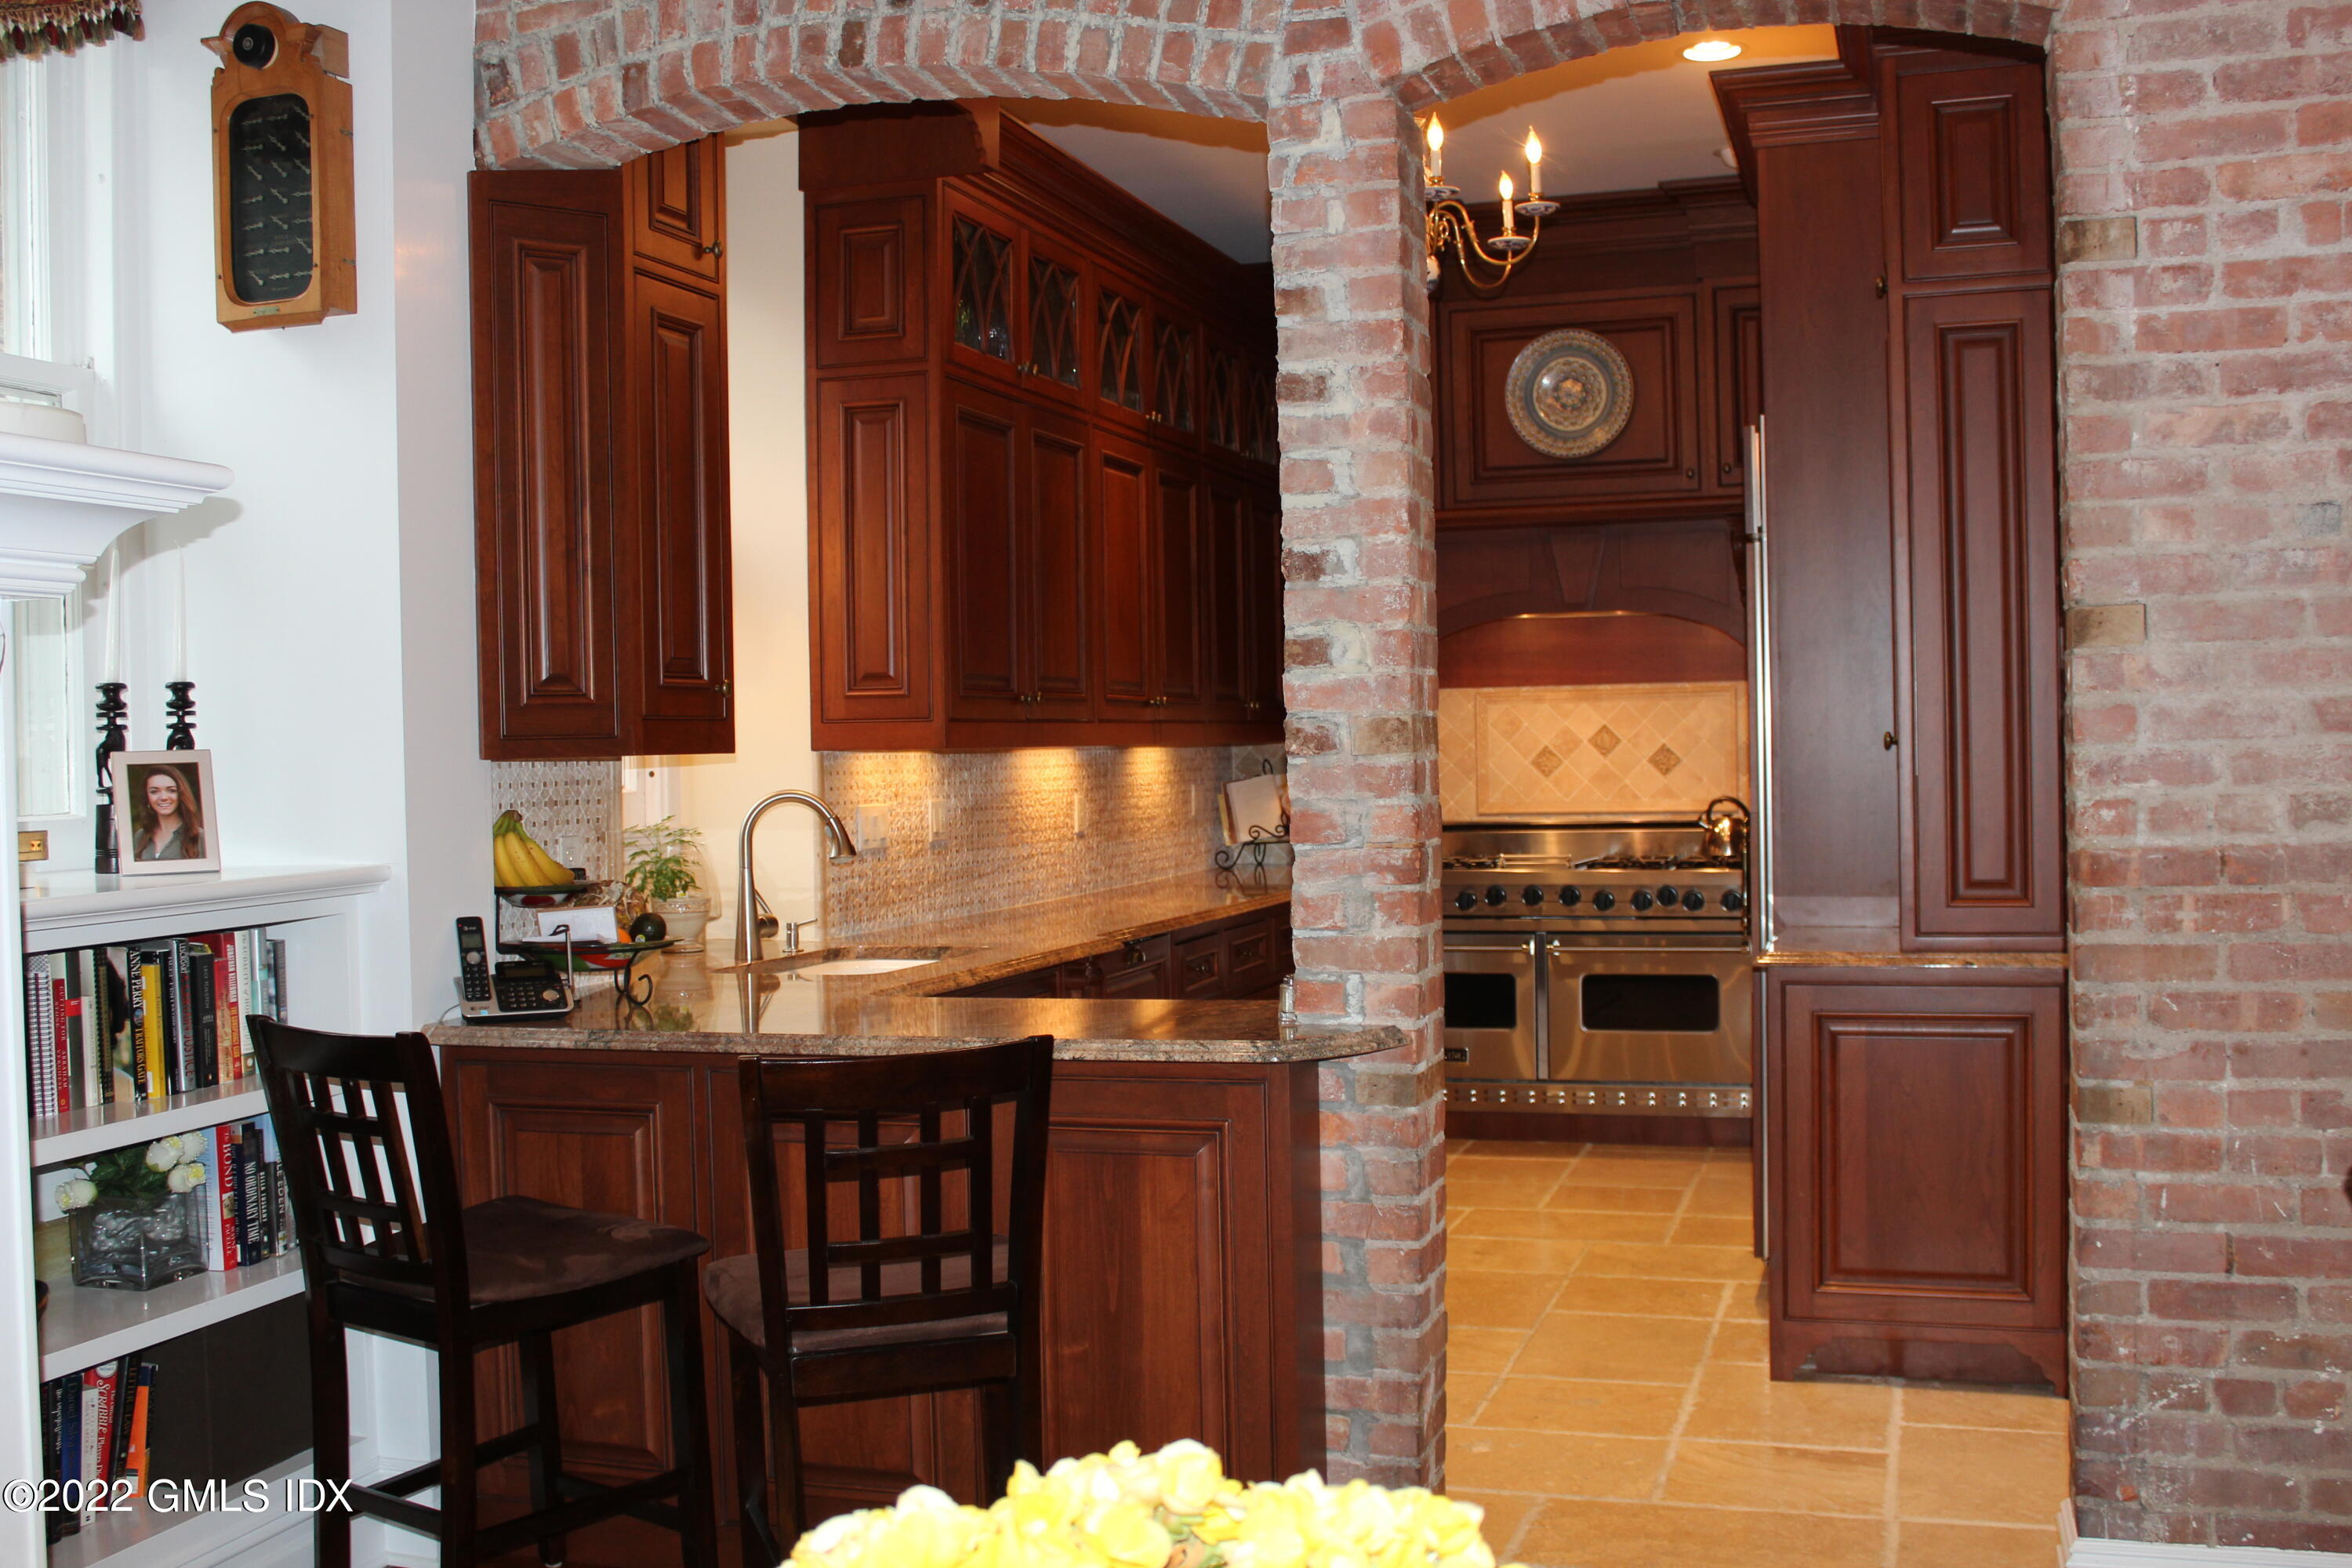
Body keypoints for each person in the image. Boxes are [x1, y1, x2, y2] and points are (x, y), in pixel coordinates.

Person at [130, 764, 205, 862]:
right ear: (147, 797)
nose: (164, 797)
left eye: (171, 790)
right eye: (154, 791)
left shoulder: (200, 837)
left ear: (181, 794)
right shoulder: (140, 836)